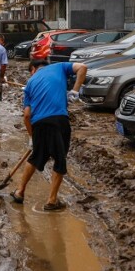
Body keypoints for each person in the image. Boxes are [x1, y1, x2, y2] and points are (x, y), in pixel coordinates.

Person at [10, 58, 87, 211]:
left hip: (39, 123)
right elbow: (83, 67)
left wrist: (33, 137)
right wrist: (75, 91)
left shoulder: (30, 84)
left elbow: (26, 115)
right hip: (58, 120)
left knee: (35, 157)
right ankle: (52, 201)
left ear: (33, 69)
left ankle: (19, 191)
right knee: (59, 159)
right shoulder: (59, 67)